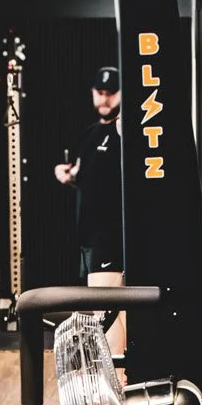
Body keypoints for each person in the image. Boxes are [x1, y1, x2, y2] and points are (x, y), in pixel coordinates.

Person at [55, 63, 125, 357]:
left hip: (111, 237)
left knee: (107, 311)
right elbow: (86, 176)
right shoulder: (91, 133)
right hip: (89, 236)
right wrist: (69, 175)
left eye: (112, 93)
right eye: (100, 92)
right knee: (106, 310)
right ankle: (119, 381)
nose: (105, 99)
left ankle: (117, 382)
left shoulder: (125, 130)